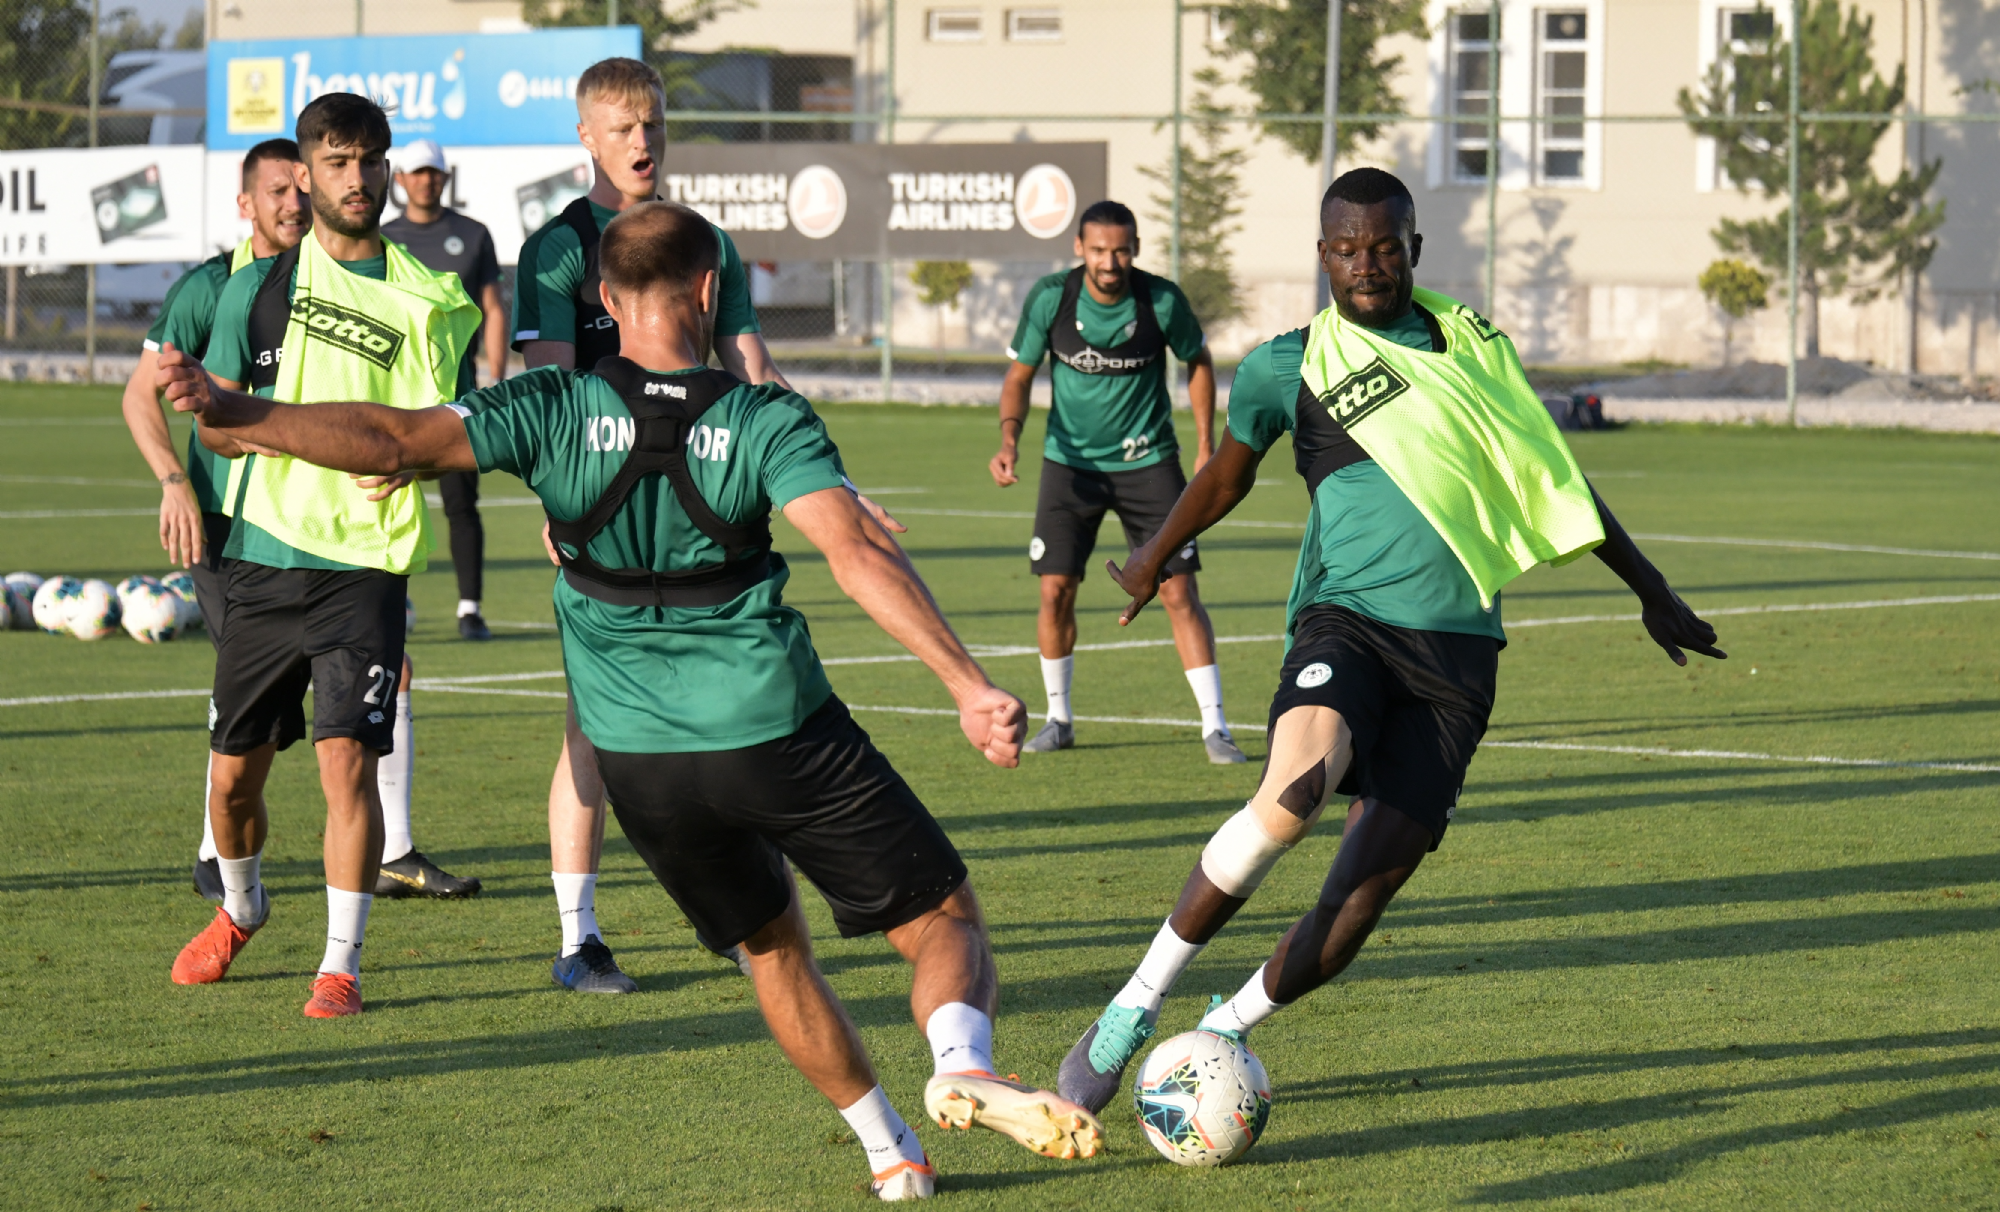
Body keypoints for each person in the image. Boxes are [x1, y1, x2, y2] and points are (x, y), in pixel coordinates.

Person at [160, 199, 1106, 1200]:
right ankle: (960, 1062)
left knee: (772, 951)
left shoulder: (550, 406)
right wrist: (966, 684)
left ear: (606, 301)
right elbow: (855, 550)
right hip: (775, 731)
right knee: (941, 916)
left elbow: (390, 438)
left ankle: (891, 1153)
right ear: (709, 289)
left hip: (640, 765)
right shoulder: (762, 417)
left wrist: (235, 410)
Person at [1056, 168, 1727, 1112]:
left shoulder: (1475, 350)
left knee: (1357, 903)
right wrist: (1153, 556)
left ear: (1413, 248)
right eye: (1346, 248)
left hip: (1458, 660)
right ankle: (1135, 1002)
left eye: (1382, 247)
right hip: (1349, 622)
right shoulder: (1288, 366)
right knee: (1291, 795)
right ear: (1322, 255)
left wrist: (1650, 590)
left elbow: (1556, 479)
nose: (1365, 264)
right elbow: (1226, 474)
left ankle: (1223, 1030)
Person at [509, 56, 855, 993]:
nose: (643, 141)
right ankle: (579, 938)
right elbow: (549, 390)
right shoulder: (557, 250)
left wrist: (838, 481)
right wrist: (561, 504)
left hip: (705, 512)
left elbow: (754, 372)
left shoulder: (706, 244)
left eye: (653, 123)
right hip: (609, 514)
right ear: (585, 136)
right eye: (623, 127)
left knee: (733, 716)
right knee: (591, 727)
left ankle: (748, 920)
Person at [163, 93, 485, 1018]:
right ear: (304, 174)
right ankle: (242, 906)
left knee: (347, 763)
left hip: (366, 566)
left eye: (371, 159)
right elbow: (216, 428)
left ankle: (340, 965)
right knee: (232, 781)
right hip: (263, 558)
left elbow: (448, 432)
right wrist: (272, 428)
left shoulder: (432, 300)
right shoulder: (254, 288)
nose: (358, 178)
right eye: (338, 162)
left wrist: (414, 459)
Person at [118, 139, 307, 904]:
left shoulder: (337, 281)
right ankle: (213, 854)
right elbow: (141, 394)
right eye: (277, 191)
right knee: (251, 695)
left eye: (302, 188)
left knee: (381, 682)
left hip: (316, 523)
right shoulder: (208, 287)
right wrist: (175, 482)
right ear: (245, 204)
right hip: (228, 526)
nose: (294, 203)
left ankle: (393, 850)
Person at [989, 200, 1244, 764]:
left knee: (1178, 592)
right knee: (1054, 591)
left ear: (1136, 249)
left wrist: (1205, 443)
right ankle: (1059, 719)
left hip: (1149, 464)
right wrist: (1009, 440)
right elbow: (1019, 376)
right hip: (1069, 466)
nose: (1110, 262)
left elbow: (1198, 360)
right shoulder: (1052, 298)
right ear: (1080, 248)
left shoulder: (1161, 300)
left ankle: (1216, 727)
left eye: (1121, 250)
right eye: (1100, 250)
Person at [383, 137, 507, 640]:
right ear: (400, 180)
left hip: (458, 392)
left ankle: (469, 608)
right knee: (385, 496)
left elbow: (493, 307)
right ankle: (382, 602)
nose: (425, 181)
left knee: (461, 502)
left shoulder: (472, 234)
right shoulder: (383, 238)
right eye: (416, 172)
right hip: (394, 393)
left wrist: (494, 375)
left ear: (445, 177)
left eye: (433, 172)